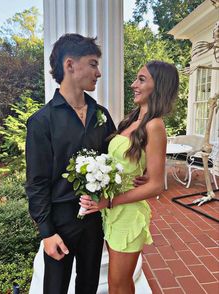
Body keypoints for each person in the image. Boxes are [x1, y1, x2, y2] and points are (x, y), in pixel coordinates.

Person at [25, 33, 116, 294]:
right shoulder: (42, 121)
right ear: (69, 65)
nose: (98, 73)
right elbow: (37, 182)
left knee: (89, 286)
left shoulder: (101, 114)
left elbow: (113, 159)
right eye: (92, 64)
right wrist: (46, 232)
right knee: (55, 289)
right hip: (60, 221)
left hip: (94, 218)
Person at [80, 60, 179, 294]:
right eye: (136, 78)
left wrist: (110, 201)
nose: (134, 84)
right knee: (118, 282)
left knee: (118, 284)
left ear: (159, 87)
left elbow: (156, 186)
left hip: (128, 213)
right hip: (112, 211)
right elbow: (135, 165)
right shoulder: (132, 120)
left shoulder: (155, 126)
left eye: (142, 80)